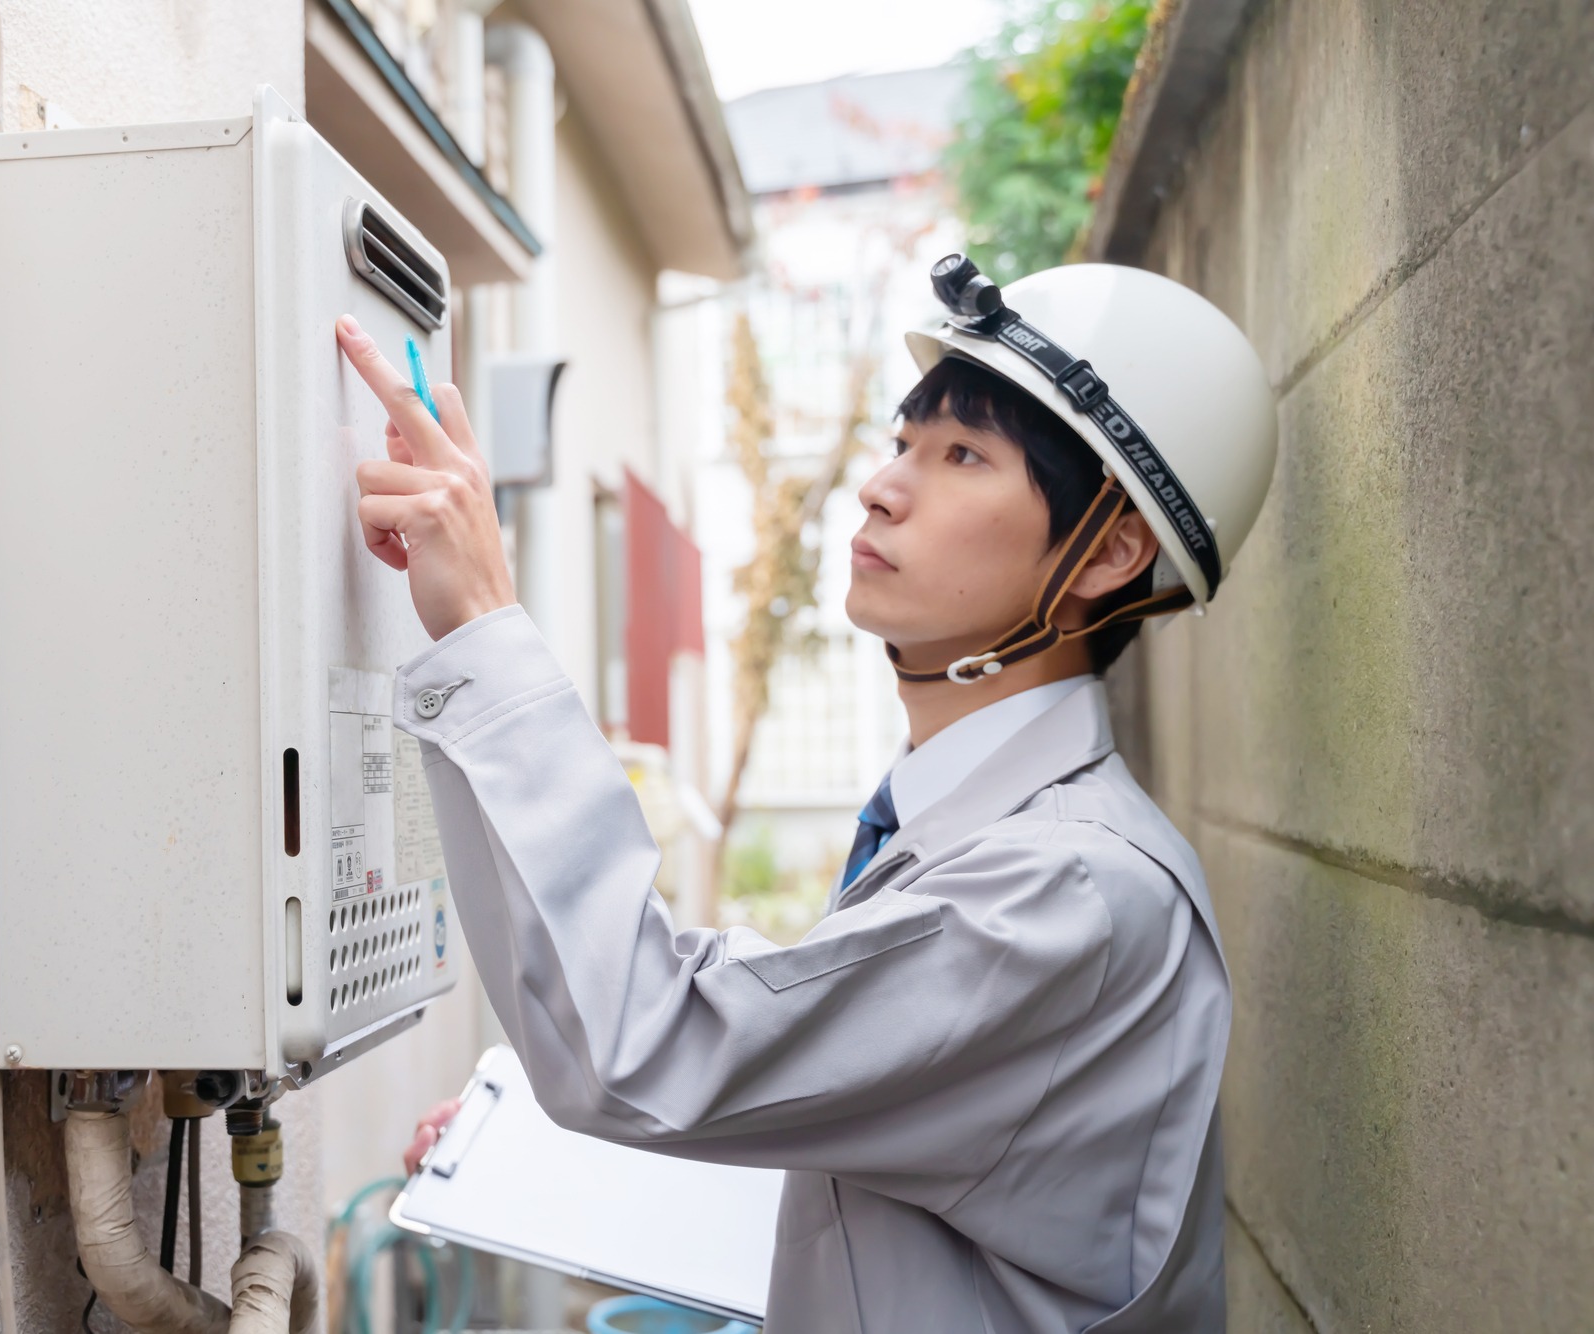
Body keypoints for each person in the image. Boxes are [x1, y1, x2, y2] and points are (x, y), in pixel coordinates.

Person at [337, 255, 1278, 1333]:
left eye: (963, 452)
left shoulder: (1063, 890)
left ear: (1108, 550)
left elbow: (648, 1042)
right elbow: (891, 1163)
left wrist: (484, 634)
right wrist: (549, 1153)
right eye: (902, 441)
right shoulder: (980, 836)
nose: (883, 484)